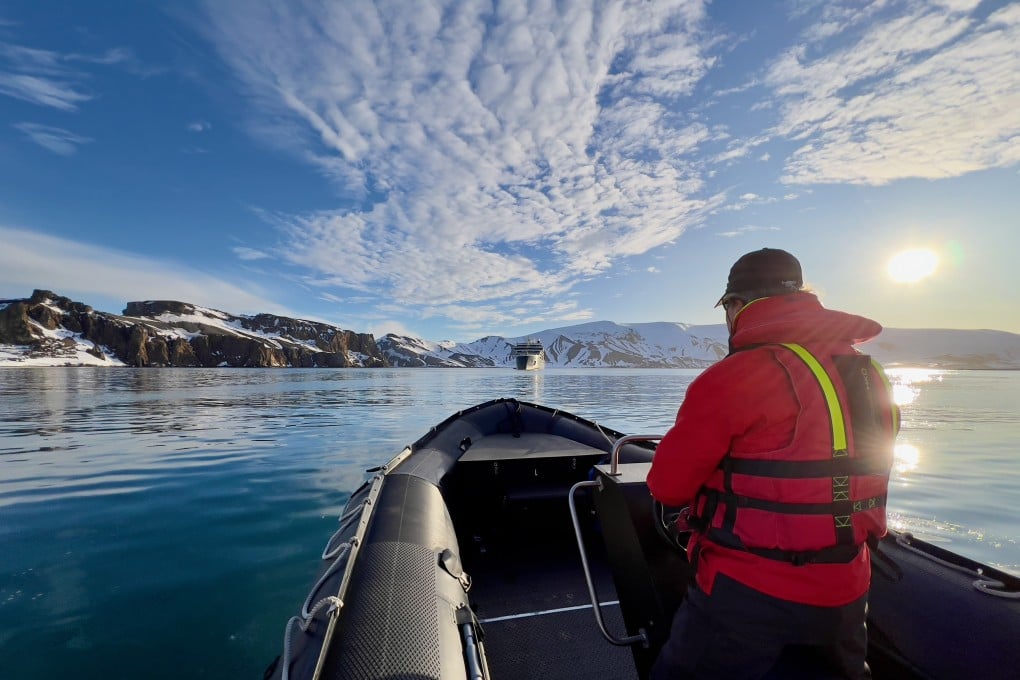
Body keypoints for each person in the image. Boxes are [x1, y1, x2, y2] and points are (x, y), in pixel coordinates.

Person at [646, 248, 899, 679]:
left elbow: (667, 487)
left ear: (736, 306)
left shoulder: (733, 376)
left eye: (727, 307)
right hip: (847, 590)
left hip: (745, 596)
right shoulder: (869, 372)